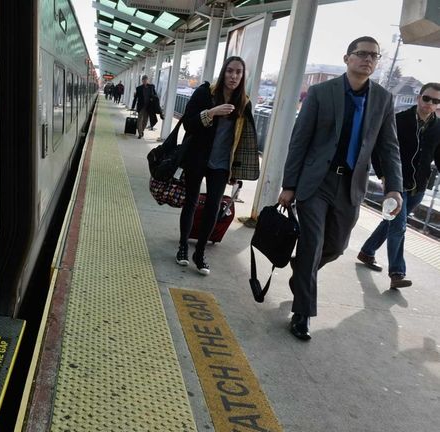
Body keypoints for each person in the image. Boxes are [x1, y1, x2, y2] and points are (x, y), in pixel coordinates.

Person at [278, 36, 403, 341]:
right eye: (362, 54)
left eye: (374, 56)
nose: (368, 60)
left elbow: (388, 148)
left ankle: (301, 271)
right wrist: (289, 185)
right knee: (312, 243)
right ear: (347, 58)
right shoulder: (322, 93)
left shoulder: (384, 100)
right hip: (316, 183)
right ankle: (303, 313)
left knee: (335, 247)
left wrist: (394, 188)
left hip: (350, 186)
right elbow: (300, 140)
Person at [177, 56, 260, 275]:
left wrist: (237, 169)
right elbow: (188, 123)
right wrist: (212, 112)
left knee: (213, 207)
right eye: (230, 71)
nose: (233, 76)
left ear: (243, 76)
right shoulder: (205, 93)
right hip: (198, 157)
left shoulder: (245, 102)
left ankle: (200, 252)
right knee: (191, 202)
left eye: (238, 72)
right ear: (223, 72)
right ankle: (184, 247)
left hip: (222, 163)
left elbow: (244, 139)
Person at [358, 82, 440, 289]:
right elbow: (379, 149)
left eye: (435, 101)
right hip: (396, 182)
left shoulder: (438, 128)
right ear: (418, 97)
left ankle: (367, 251)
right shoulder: (398, 120)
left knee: (391, 221)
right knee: (399, 227)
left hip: (419, 186)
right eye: (427, 98)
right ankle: (397, 273)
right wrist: (384, 175)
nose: (430, 104)